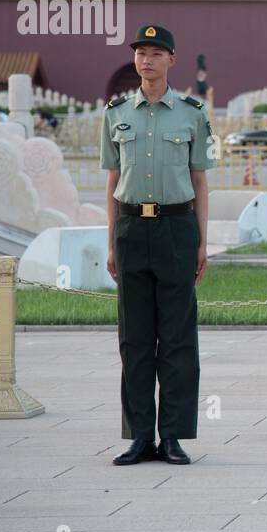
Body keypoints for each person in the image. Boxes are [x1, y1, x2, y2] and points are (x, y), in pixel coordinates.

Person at [100, 24, 215, 466]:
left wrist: (203, 242)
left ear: (172, 60)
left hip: (176, 229)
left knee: (178, 337)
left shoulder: (191, 113)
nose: (146, 60)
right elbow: (111, 181)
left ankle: (172, 436)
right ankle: (138, 436)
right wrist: (111, 241)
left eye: (156, 52)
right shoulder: (116, 112)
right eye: (140, 52)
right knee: (134, 338)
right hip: (132, 231)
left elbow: (201, 181)